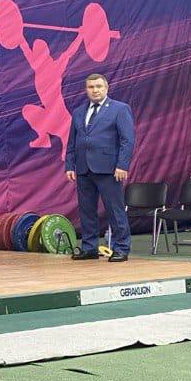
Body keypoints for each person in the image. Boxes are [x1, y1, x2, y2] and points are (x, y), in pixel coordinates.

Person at [65, 73, 135, 262]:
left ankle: (121, 248)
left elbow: (127, 140)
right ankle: (89, 248)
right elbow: (72, 141)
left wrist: (122, 165)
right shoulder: (78, 112)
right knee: (86, 210)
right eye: (91, 87)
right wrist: (69, 164)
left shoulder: (120, 109)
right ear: (86, 90)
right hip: (83, 168)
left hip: (109, 168)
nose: (95, 90)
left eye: (98, 86)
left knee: (115, 210)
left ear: (106, 88)